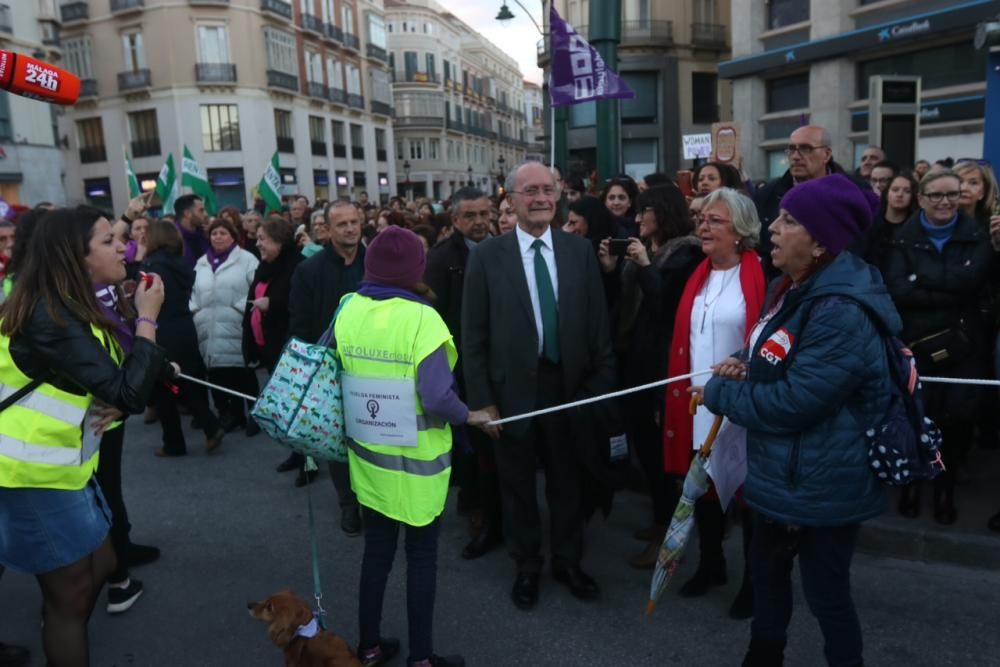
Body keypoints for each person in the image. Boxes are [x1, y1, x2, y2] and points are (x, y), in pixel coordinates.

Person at [700, 174, 895, 667]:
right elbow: (775, 349)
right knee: (768, 584)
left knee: (827, 595)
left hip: (822, 484)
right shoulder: (794, 288)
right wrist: (746, 359)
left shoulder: (840, 309)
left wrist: (721, 392)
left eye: (789, 221)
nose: (772, 229)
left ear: (822, 242)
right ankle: (763, 656)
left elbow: (795, 400)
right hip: (779, 474)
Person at [0, 206, 168, 666]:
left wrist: (121, 385)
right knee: (70, 600)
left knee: (103, 564)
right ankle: (55, 625)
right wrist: (148, 319)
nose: (123, 246)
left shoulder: (73, 305)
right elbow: (125, 389)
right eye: (109, 240)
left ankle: (54, 617)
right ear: (77, 256)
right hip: (32, 477)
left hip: (68, 467)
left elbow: (117, 384)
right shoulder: (50, 315)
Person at [462, 162, 616, 610]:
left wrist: (599, 387)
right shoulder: (488, 257)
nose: (541, 198)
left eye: (548, 189)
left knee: (568, 483)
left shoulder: (578, 251)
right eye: (530, 191)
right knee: (517, 487)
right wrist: (483, 403)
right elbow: (472, 338)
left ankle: (568, 562)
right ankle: (527, 566)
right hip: (511, 397)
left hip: (568, 390)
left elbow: (597, 327)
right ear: (509, 199)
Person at [336, 226, 492, 667]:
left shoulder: (349, 307)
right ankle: (421, 659)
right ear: (416, 271)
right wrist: (473, 416)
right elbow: (439, 397)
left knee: (377, 554)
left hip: (369, 460)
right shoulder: (424, 319)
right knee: (421, 561)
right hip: (419, 468)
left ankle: (367, 646)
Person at [662, 187, 765, 619]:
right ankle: (711, 564)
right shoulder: (697, 274)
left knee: (747, 495)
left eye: (715, 221)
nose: (704, 226)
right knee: (700, 488)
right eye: (702, 219)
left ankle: (755, 584)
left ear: (740, 231)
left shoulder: (760, 274)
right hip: (696, 404)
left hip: (739, 405)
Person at [881, 170, 995, 524]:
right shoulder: (903, 238)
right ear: (922, 198)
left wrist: (922, 279)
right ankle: (913, 484)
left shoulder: (977, 236)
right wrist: (950, 282)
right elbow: (898, 288)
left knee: (958, 422)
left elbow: (973, 281)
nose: (945, 202)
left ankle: (945, 489)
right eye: (936, 195)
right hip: (917, 343)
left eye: (952, 195)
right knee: (917, 416)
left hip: (963, 344)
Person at [598, 185, 702, 569]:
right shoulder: (648, 249)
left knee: (661, 457)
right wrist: (612, 271)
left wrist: (643, 266)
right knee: (645, 450)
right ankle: (660, 520)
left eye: (645, 212)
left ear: (664, 212)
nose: (637, 219)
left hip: (660, 369)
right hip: (632, 362)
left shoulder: (685, 253)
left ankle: (668, 531)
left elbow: (666, 309)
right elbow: (622, 305)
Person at [424, 188, 501, 560]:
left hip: (499, 363)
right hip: (460, 368)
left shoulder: (503, 249)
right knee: (472, 448)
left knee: (497, 445)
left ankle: (496, 511)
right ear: (454, 220)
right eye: (470, 216)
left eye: (484, 214)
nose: (479, 222)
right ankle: (477, 512)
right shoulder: (440, 260)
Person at [288, 202, 365, 506]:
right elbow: (300, 325)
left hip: (374, 366)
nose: (350, 228)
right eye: (342, 224)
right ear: (328, 230)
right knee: (340, 439)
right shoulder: (309, 270)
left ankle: (375, 501)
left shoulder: (374, 262)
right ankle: (347, 502)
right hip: (330, 369)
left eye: (354, 222)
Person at [142, 221, 224, 457]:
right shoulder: (179, 263)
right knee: (183, 382)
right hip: (184, 327)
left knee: (164, 386)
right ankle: (208, 426)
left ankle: (176, 442)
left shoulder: (152, 266)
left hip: (162, 330)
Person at [754, 125, 866, 279]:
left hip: (840, 284)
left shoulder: (855, 193)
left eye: (805, 149)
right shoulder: (767, 195)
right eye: (791, 149)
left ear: (826, 154)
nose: (795, 156)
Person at [244, 217, 305, 471]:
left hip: (291, 349)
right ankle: (296, 454)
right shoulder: (264, 267)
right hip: (270, 348)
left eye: (262, 239)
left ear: (280, 242)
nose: (257, 244)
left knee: (300, 410)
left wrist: (273, 304)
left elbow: (299, 306)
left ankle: (308, 463)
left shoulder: (298, 267)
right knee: (285, 407)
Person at [191, 217, 260, 436]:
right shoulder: (201, 263)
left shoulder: (247, 259)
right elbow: (193, 292)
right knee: (218, 374)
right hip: (209, 328)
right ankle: (229, 415)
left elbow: (256, 288)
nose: (218, 237)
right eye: (214, 233)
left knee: (242, 372)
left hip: (236, 325)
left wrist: (238, 308)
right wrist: (198, 311)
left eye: (223, 233)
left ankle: (254, 414)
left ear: (233, 236)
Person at [855, 172, 919, 270]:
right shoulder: (870, 224)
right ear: (887, 193)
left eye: (907, 191)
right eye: (895, 189)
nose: (900, 194)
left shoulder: (915, 228)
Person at [174, 194, 210, 268]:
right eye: (201, 210)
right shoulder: (172, 239)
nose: (206, 214)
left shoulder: (205, 235)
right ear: (187, 214)